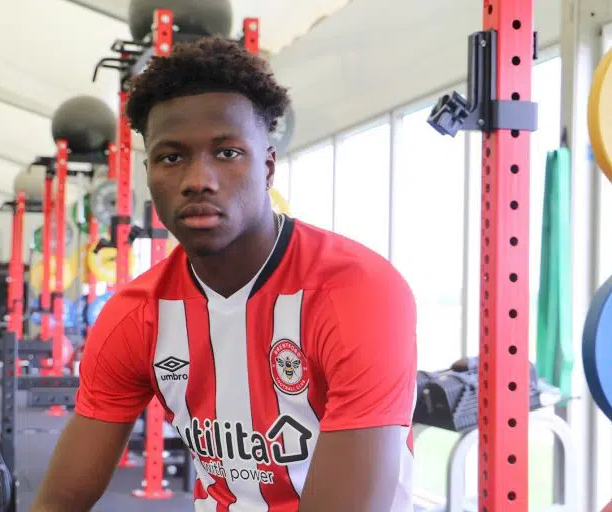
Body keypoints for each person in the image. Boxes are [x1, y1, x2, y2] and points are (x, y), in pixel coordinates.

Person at [32, 36, 417, 512]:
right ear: (149, 174)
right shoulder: (136, 316)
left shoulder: (358, 293)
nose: (198, 180)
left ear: (268, 167)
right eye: (172, 157)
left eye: (228, 153)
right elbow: (56, 503)